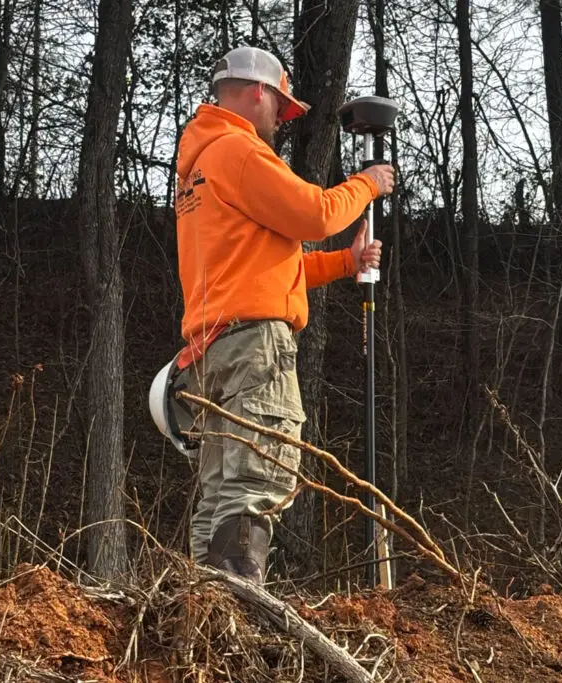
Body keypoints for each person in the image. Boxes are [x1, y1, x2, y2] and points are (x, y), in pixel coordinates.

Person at [169, 45, 395, 584]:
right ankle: (240, 602)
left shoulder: (198, 167)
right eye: (280, 108)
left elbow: (266, 265)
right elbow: (315, 214)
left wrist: (346, 262)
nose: (281, 121)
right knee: (257, 478)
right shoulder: (238, 151)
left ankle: (208, 606)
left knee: (222, 488)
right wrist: (369, 184)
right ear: (257, 95)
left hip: (213, 349)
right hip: (252, 349)